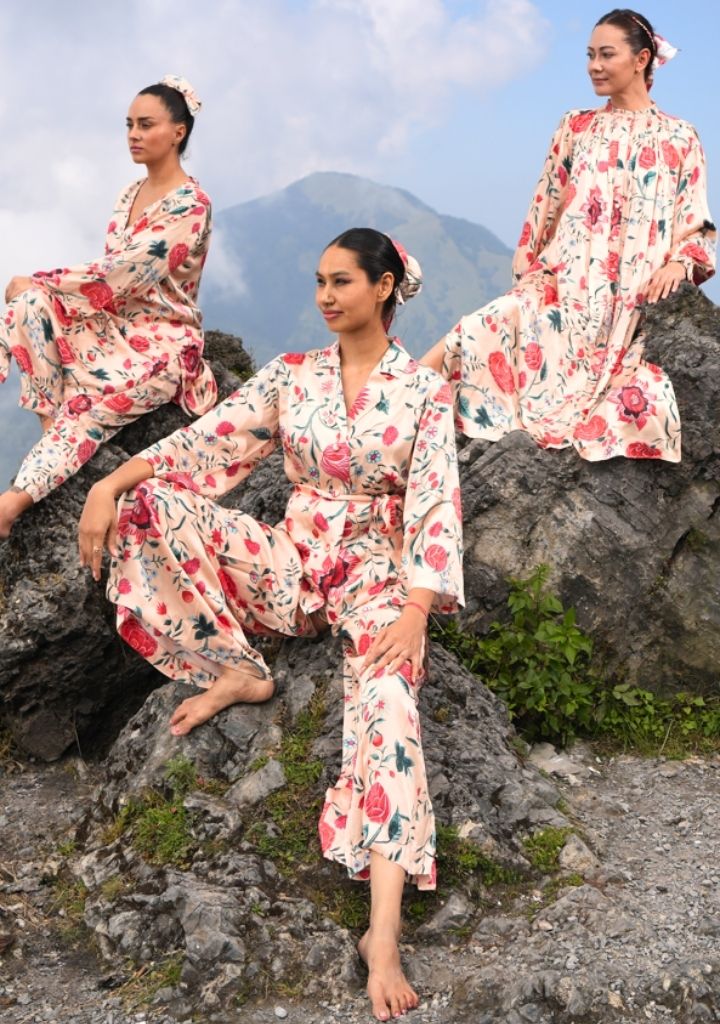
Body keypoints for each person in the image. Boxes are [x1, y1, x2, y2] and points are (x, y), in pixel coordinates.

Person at [78, 228, 463, 1021]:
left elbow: (435, 503)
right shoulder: (294, 375)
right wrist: (109, 484)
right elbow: (205, 441)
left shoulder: (422, 393)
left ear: (384, 287)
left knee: (390, 707)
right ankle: (239, 668)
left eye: (342, 281)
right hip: (291, 564)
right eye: (319, 281)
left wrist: (416, 611)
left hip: (376, 578)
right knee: (149, 504)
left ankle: (383, 933)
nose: (325, 296)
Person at [422, 9, 716, 462]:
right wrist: (529, 275)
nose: (594, 66)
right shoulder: (575, 127)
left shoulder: (680, 137)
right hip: (564, 286)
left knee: (634, 393)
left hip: (629, 303)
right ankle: (396, 394)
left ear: (641, 60)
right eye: (589, 55)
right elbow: (544, 208)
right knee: (482, 325)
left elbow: (696, 221)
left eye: (606, 55)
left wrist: (681, 262)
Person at [0, 74, 216, 538]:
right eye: (129, 125)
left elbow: (123, 273)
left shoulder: (192, 205)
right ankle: (52, 432)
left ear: (178, 132)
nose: (133, 135)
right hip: (109, 326)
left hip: (161, 342)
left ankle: (14, 501)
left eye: (146, 125)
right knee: (28, 306)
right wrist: (39, 290)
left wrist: (44, 279)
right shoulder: (128, 194)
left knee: (86, 402)